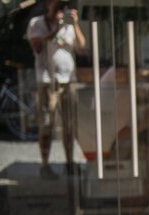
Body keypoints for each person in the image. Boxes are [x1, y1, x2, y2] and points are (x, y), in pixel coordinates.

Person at [28, 0, 86, 179]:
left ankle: (69, 162)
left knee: (69, 125)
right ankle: (45, 164)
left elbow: (82, 48)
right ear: (48, 5)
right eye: (58, 5)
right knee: (47, 125)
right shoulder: (37, 24)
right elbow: (37, 47)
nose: (61, 9)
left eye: (64, 5)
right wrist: (56, 28)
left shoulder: (69, 26)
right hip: (47, 82)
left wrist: (74, 24)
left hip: (68, 81)